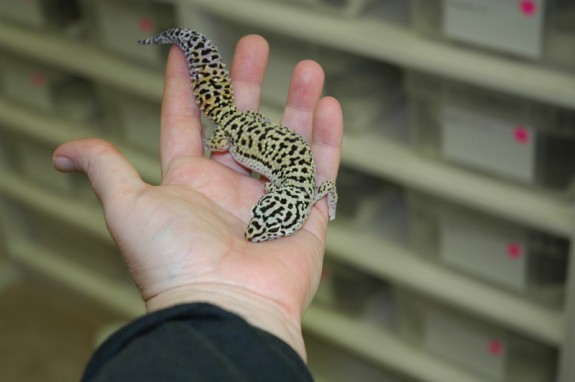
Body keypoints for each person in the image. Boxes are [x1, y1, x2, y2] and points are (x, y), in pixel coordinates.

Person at [53, 33, 343, 381]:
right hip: (239, 127)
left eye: (267, 227)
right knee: (223, 127)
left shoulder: (304, 192)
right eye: (263, 221)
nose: (256, 231)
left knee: (226, 126)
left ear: (290, 216)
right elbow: (325, 188)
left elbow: (326, 187)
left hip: (246, 130)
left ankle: (191, 47)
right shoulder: (305, 190)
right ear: (276, 199)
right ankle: (188, 43)